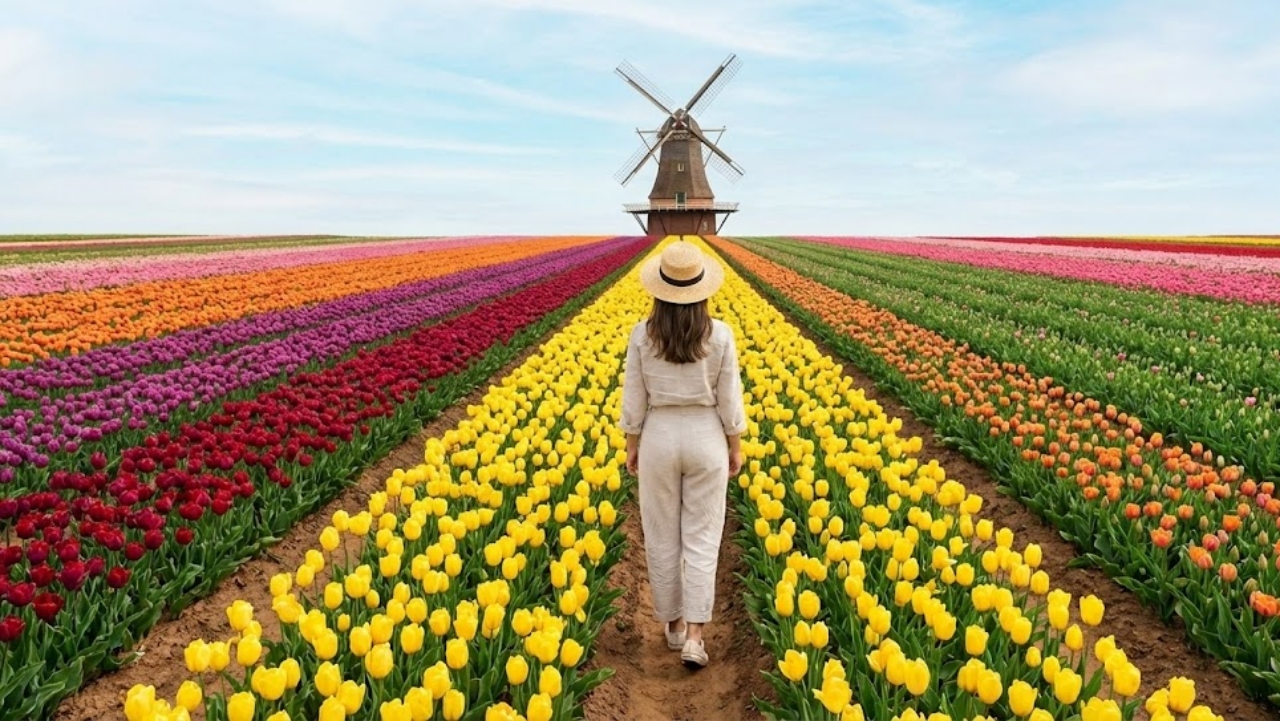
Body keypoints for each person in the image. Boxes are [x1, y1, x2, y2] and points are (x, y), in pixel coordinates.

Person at [619, 240, 747, 669]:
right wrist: (735, 444)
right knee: (702, 536)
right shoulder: (721, 334)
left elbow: (633, 397)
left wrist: (632, 443)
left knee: (660, 534)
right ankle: (695, 636)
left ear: (660, 290)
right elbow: (730, 400)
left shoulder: (642, 334)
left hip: (659, 434)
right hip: (706, 434)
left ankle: (672, 625)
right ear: (703, 291)